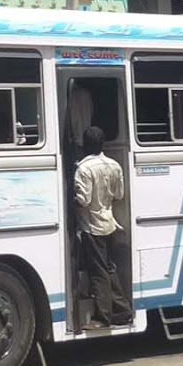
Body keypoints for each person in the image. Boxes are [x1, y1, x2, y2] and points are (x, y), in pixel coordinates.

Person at [74, 126, 132, 327]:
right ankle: (123, 310)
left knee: (98, 272)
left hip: (92, 226)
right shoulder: (114, 165)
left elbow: (83, 200)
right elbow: (119, 195)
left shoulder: (83, 169)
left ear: (85, 144)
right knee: (109, 268)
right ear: (102, 144)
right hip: (110, 222)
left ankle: (102, 317)